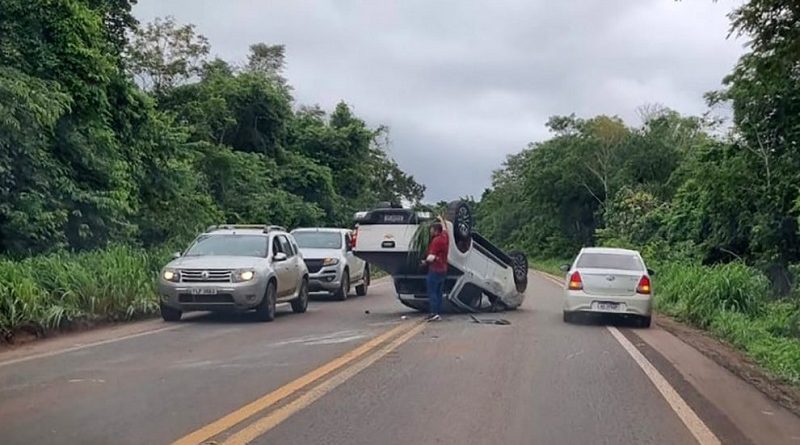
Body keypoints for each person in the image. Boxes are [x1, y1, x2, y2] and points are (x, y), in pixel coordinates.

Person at [423, 218, 449, 321]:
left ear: (436, 230)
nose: (430, 231)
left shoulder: (436, 241)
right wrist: (441, 219)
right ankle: (437, 312)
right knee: (438, 292)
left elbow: (431, 257)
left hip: (435, 269)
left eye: (431, 229)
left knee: (432, 291)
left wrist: (424, 262)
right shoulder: (445, 237)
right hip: (443, 269)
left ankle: (434, 312)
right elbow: (445, 229)